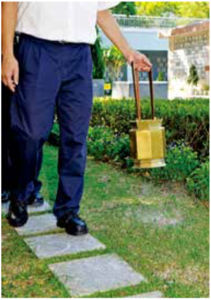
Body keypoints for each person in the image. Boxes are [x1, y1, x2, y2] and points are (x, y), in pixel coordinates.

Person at [2, 2, 152, 235]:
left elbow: (100, 10)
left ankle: (68, 210)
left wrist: (129, 52)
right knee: (30, 133)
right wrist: (8, 55)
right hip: (36, 50)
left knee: (75, 136)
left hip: (79, 57)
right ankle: (20, 194)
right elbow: (9, 3)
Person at [1, 34, 44, 207]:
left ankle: (30, 186)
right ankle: (4, 183)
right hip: (5, 56)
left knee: (33, 125)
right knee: (5, 124)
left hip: (30, 54)